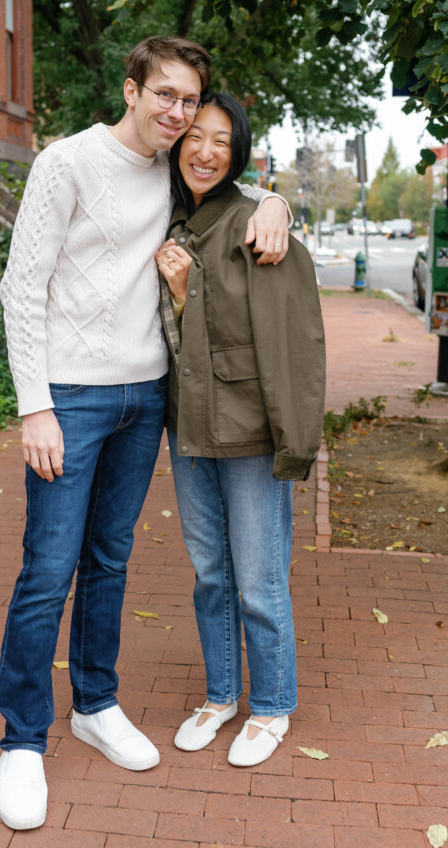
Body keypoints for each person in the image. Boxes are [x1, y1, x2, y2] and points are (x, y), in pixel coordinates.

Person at [0, 37, 292, 830]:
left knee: (109, 561)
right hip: (71, 398)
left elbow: (231, 183)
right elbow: (20, 285)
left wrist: (277, 202)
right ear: (130, 91)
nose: (178, 114)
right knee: (46, 571)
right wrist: (34, 406)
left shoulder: (171, 170)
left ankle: (94, 702)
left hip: (145, 397)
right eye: (164, 96)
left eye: (189, 101)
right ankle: (21, 740)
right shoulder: (64, 163)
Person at [156, 92, 325, 767]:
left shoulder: (255, 222)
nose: (203, 150)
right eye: (193, 136)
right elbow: (180, 341)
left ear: (239, 153)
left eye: (220, 140)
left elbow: (290, 343)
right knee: (210, 575)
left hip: (249, 430)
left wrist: (295, 439)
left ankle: (273, 705)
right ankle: (221, 693)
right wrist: (178, 295)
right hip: (190, 427)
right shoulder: (173, 218)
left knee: (257, 577)